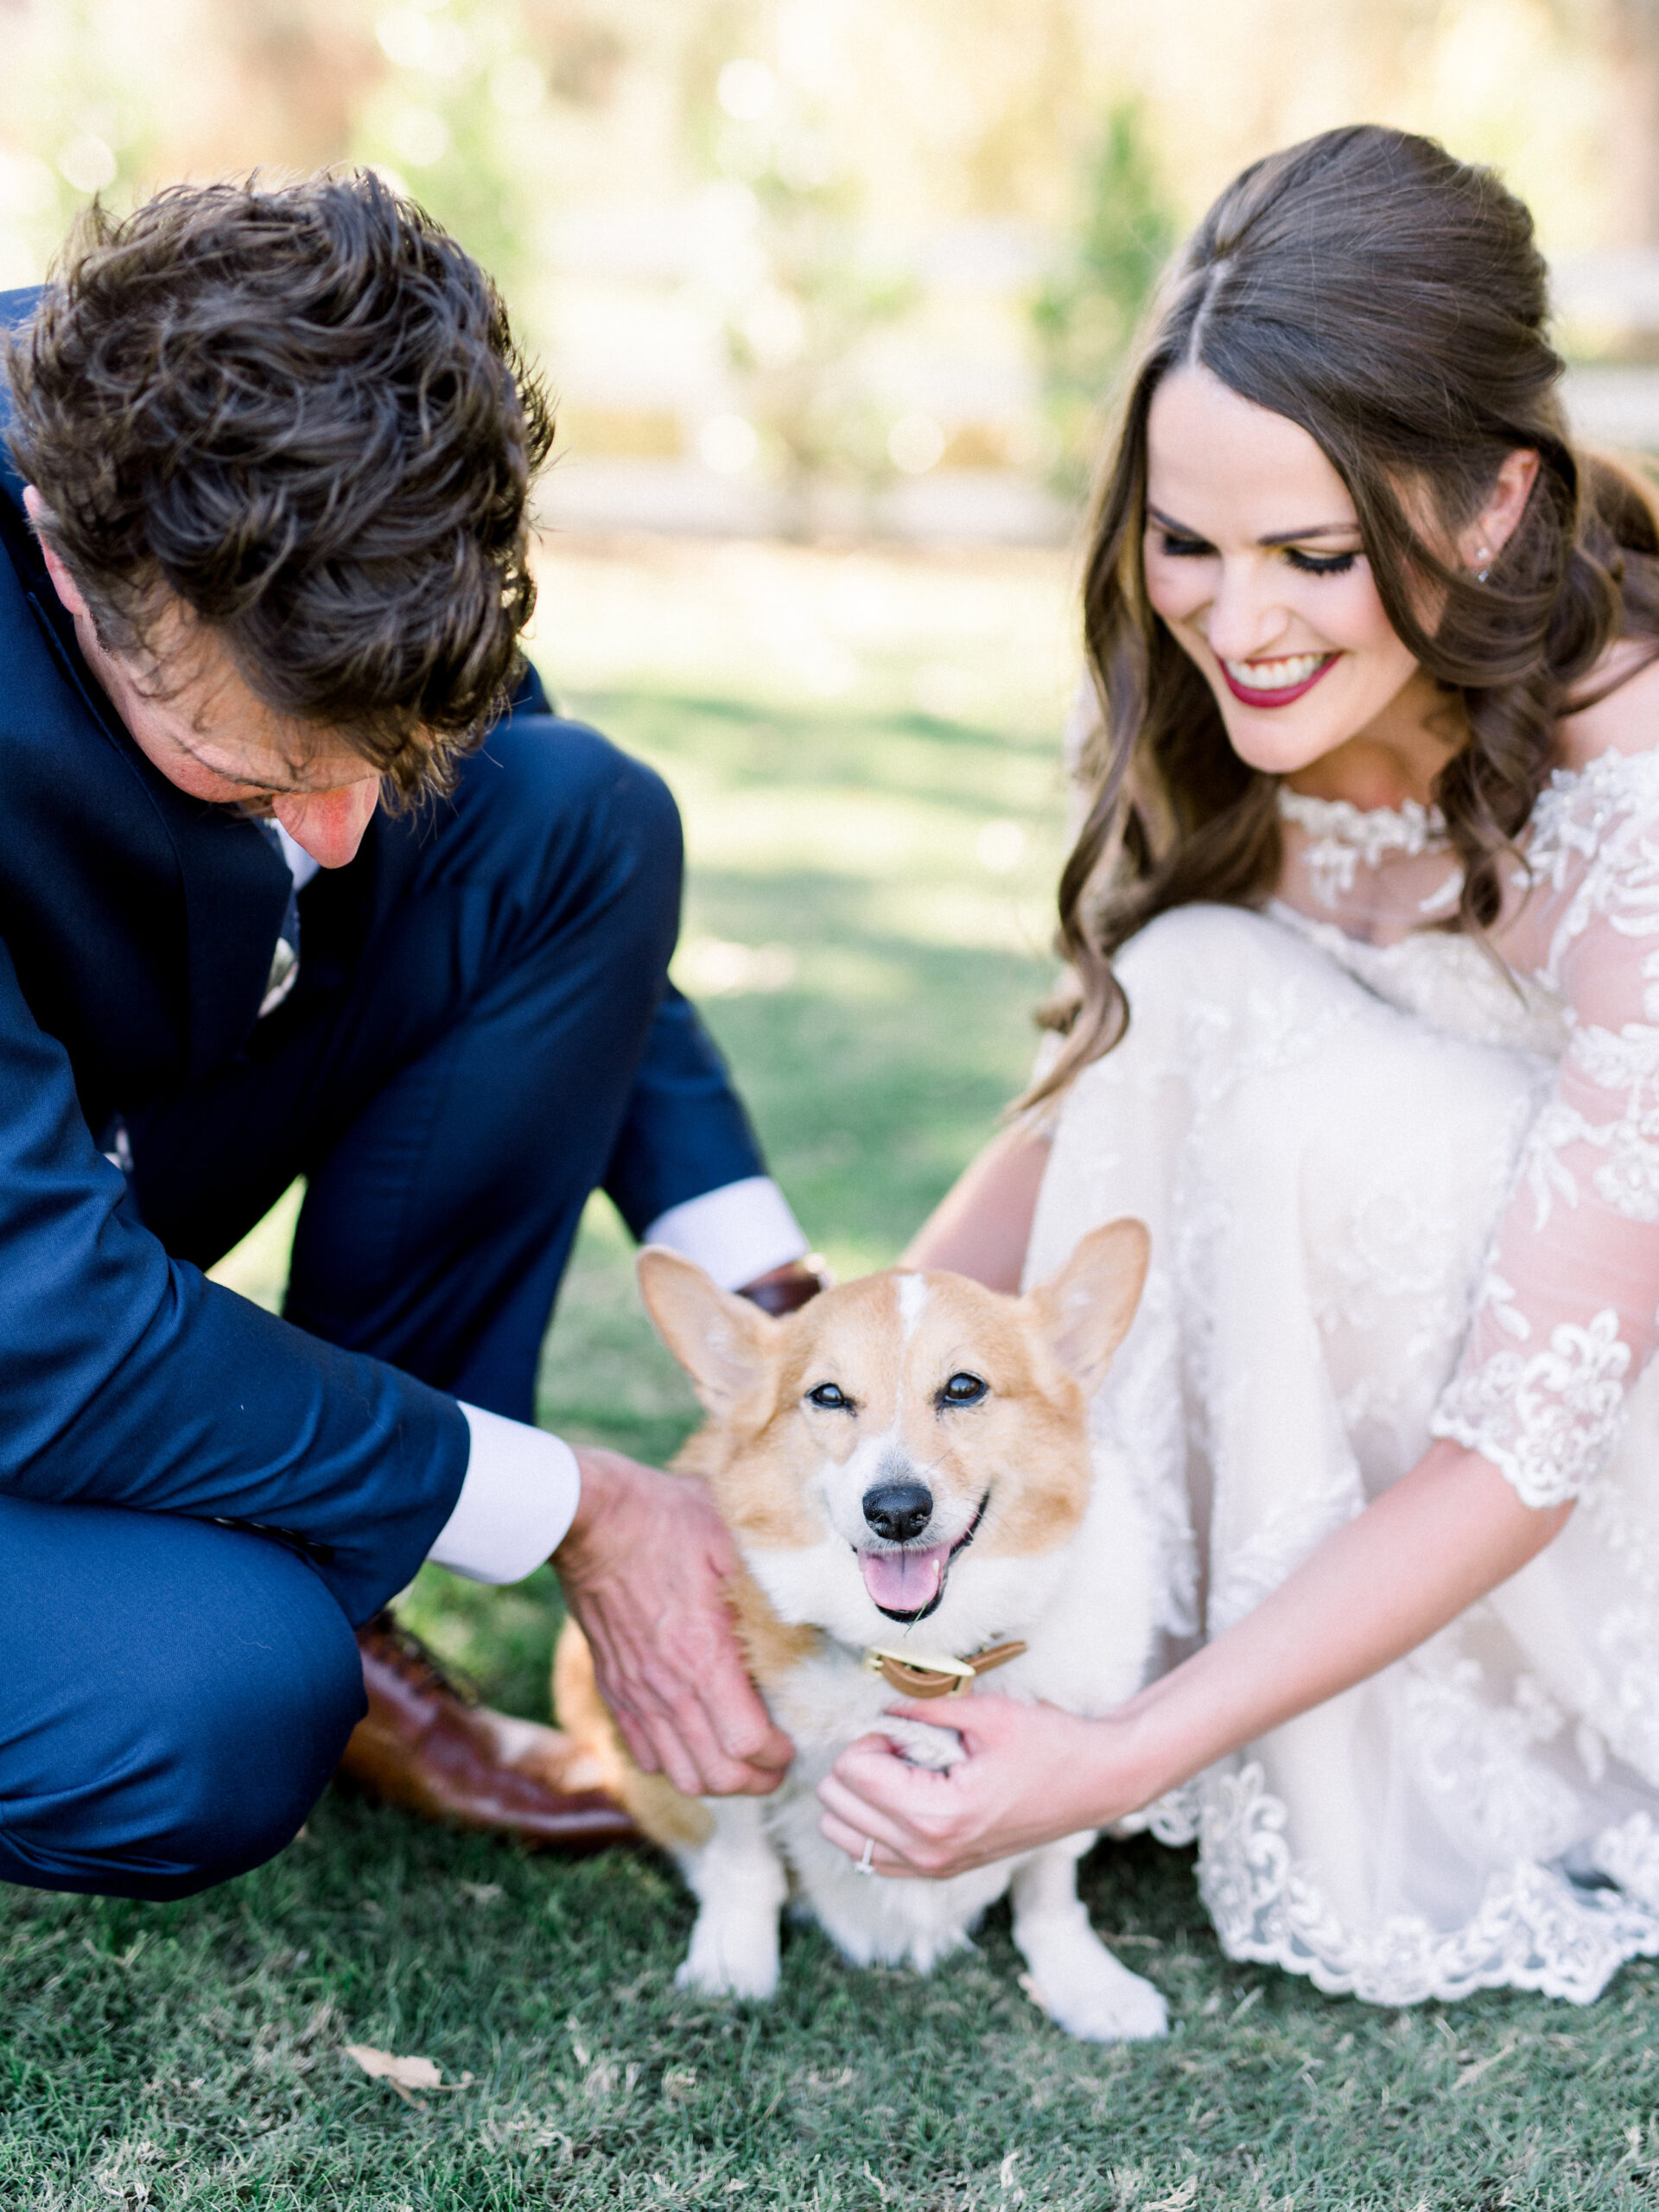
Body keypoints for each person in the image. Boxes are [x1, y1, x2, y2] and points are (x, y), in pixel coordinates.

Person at [817, 124, 1659, 2007]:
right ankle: (1119, 1630)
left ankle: (1211, 1717)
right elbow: (1101, 1095)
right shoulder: (1213, 686)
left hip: (1594, 1478)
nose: (1238, 620)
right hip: (1403, 1402)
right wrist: (814, 1407)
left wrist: (1113, 1766)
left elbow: (1528, 1439)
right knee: (1191, 977)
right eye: (1184, 541)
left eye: (1315, 553)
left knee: (1268, 1051)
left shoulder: (1644, 815)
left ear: (1496, 506)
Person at [0, 172, 815, 1900]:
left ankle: (339, 1567)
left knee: (573, 814)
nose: (352, 837)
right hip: (27, 1291)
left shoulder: (348, 484)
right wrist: (576, 1499)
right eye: (268, 773)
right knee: (211, 1701)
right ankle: (294, 1608)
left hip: (90, 1157)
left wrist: (795, 1328)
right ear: (84, 572)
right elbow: (45, 1334)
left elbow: (550, 872)